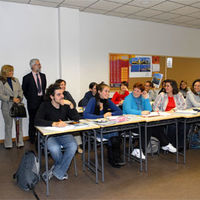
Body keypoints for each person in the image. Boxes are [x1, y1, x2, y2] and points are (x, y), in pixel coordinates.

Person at [35, 84, 80, 181]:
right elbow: (37, 121)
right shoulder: (45, 105)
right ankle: (60, 170)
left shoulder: (65, 105)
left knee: (73, 145)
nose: (62, 96)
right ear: (52, 96)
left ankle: (57, 170)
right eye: (58, 94)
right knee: (54, 149)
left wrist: (71, 106)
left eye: (62, 94)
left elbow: (76, 118)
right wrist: (54, 123)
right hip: (49, 136)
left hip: (63, 134)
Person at [123, 82, 176, 160]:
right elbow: (128, 110)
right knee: (147, 128)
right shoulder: (128, 98)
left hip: (140, 122)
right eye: (134, 90)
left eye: (138, 91)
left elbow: (149, 110)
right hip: (129, 124)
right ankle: (139, 149)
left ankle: (163, 144)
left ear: (141, 92)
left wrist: (146, 98)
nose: (135, 92)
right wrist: (140, 112)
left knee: (155, 127)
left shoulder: (142, 98)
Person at [83, 82, 124, 168]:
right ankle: (114, 158)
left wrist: (111, 114)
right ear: (99, 92)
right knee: (115, 134)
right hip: (95, 128)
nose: (108, 93)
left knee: (115, 133)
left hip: (106, 127)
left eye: (108, 91)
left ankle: (114, 158)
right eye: (106, 91)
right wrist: (102, 116)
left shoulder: (108, 101)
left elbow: (120, 111)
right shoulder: (93, 100)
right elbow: (86, 115)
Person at [153, 79, 187, 149]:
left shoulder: (178, 95)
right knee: (173, 127)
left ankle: (180, 146)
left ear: (173, 87)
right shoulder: (162, 95)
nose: (166, 87)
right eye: (165, 86)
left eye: (168, 86)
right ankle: (170, 144)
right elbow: (155, 106)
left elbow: (184, 105)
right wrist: (162, 113)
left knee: (185, 126)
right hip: (165, 118)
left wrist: (174, 109)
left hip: (176, 116)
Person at [55, 79, 83, 154]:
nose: (63, 86)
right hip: (58, 117)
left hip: (68, 115)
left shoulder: (67, 93)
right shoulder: (54, 94)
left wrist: (69, 102)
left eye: (64, 84)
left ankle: (78, 146)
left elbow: (73, 103)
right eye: (61, 84)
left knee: (75, 125)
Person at [22, 58, 47, 144]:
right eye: (38, 64)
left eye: (39, 64)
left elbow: (44, 89)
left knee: (42, 119)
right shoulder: (26, 78)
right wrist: (30, 98)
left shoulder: (43, 76)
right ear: (32, 66)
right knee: (32, 120)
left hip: (42, 102)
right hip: (32, 102)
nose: (39, 66)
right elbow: (24, 90)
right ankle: (32, 139)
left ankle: (42, 137)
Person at [0, 65, 24, 148]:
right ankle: (8, 144)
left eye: (12, 71)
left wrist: (19, 98)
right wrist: (11, 99)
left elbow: (21, 91)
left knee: (19, 125)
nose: (12, 72)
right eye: (10, 71)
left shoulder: (15, 80)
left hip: (18, 106)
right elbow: (1, 95)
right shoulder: (1, 82)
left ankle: (20, 143)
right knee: (8, 126)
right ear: (5, 72)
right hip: (7, 107)